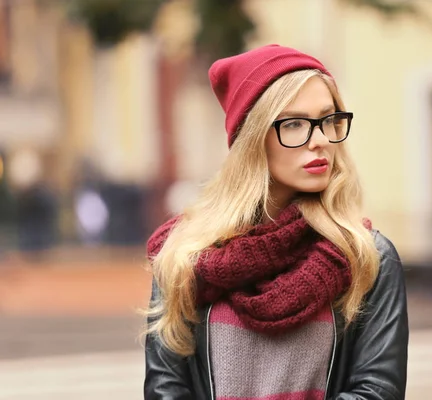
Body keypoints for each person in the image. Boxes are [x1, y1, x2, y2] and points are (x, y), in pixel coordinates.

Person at [144, 44, 409, 400]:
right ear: (252, 139)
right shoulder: (185, 256)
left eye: (328, 120)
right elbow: (166, 390)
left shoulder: (366, 256)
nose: (320, 141)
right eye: (296, 124)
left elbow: (377, 391)